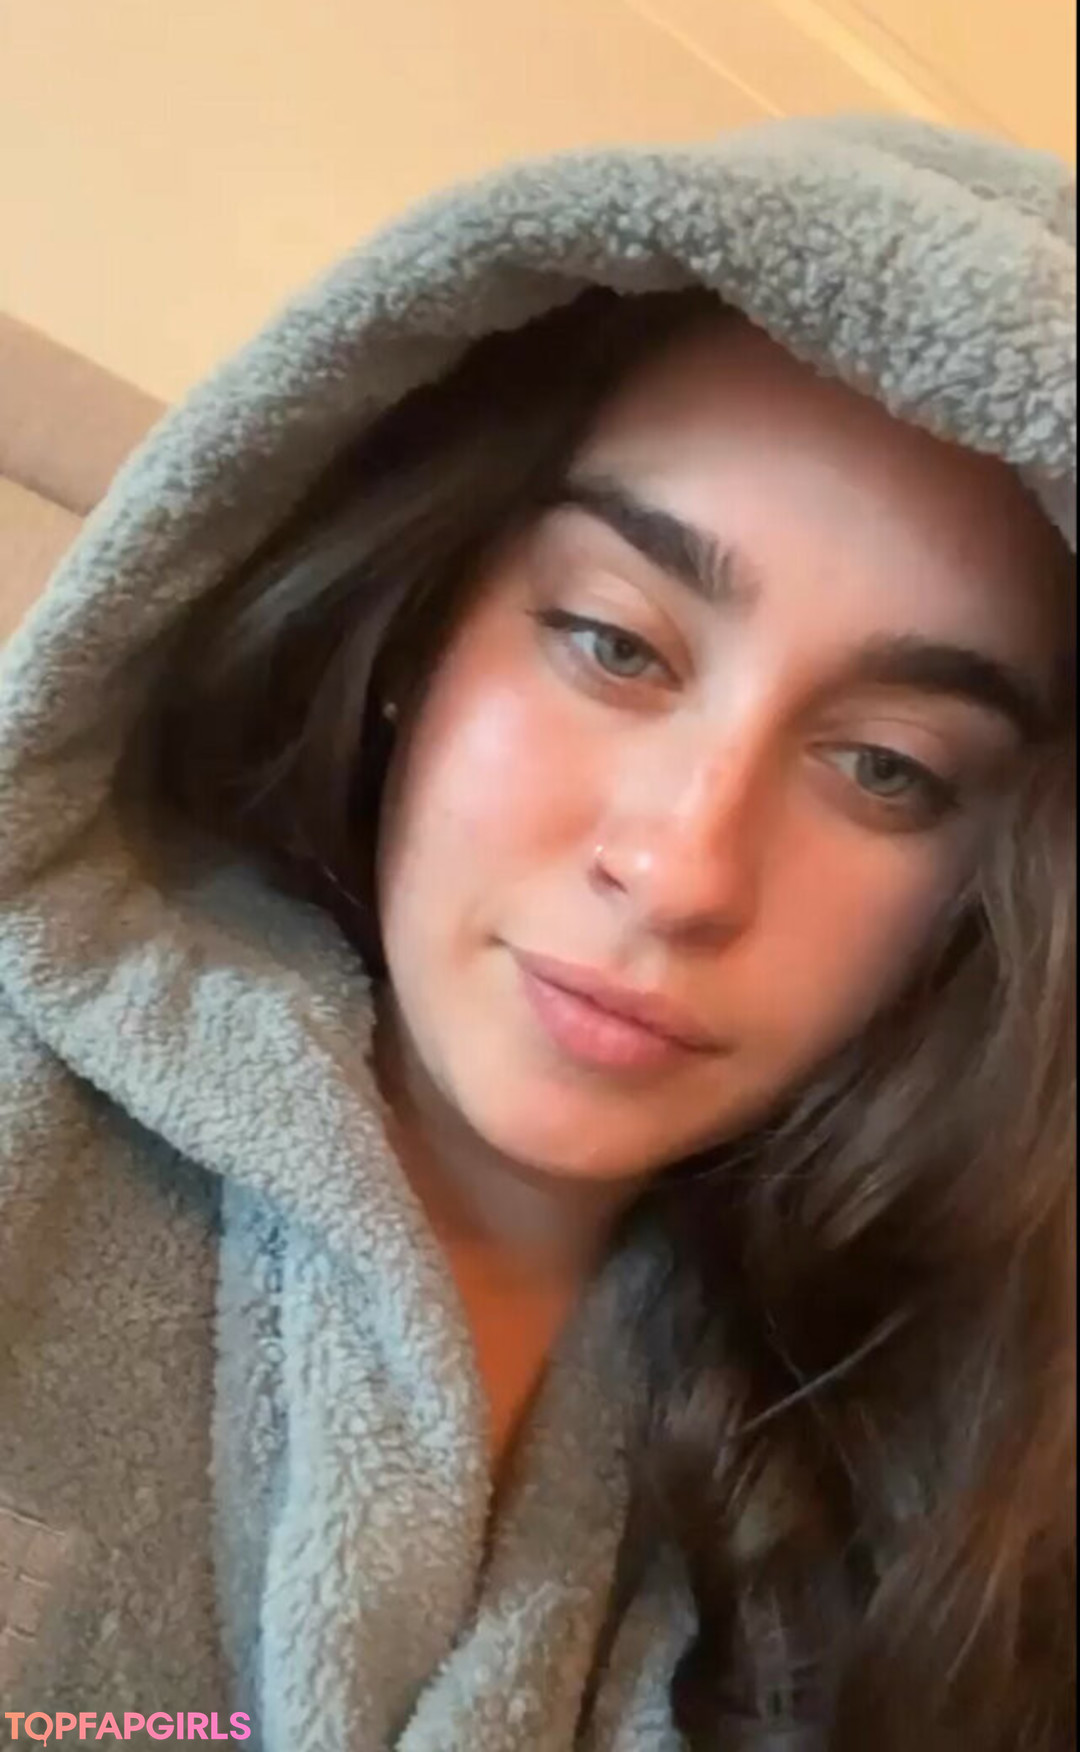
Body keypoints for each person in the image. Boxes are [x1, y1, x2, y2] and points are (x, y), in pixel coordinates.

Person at [0, 113, 1073, 1752]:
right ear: (420, 627)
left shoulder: (974, 1483)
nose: (682, 868)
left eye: (887, 768)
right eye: (613, 644)